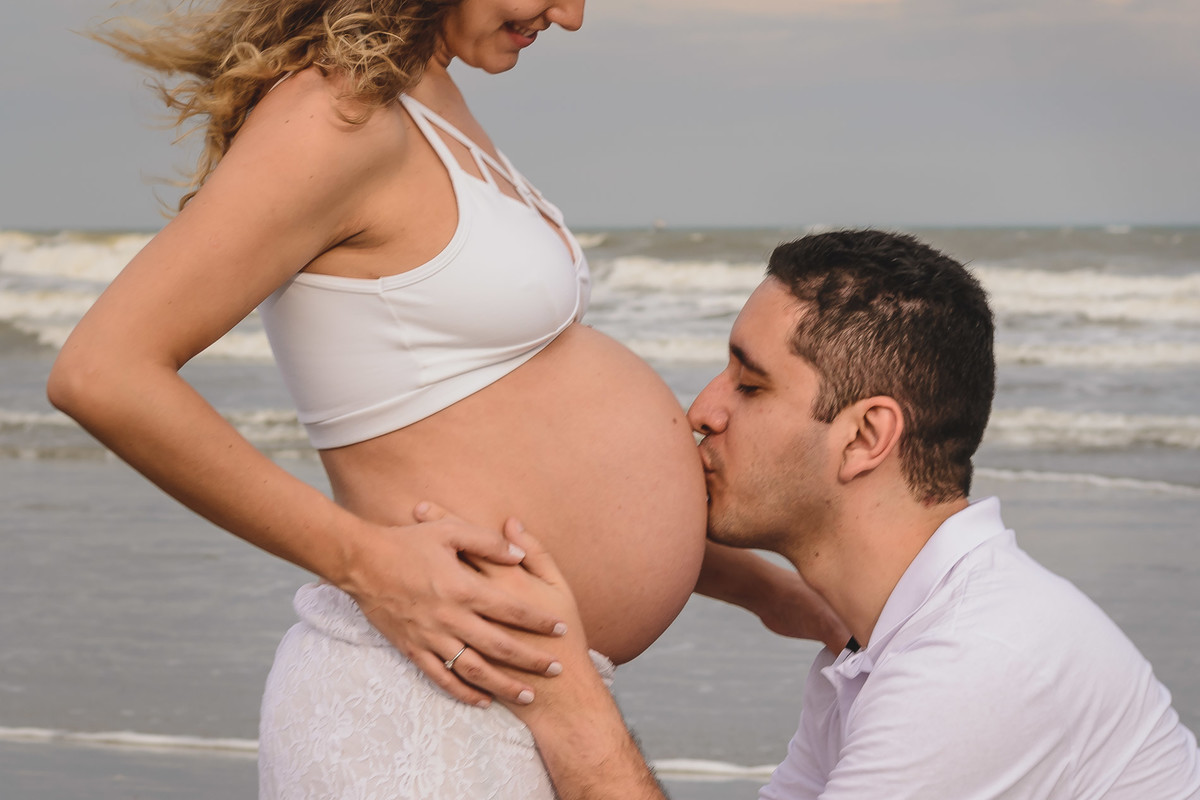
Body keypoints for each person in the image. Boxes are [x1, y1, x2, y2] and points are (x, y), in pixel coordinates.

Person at [46, 1, 843, 797]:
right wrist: (365, 562)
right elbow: (103, 371)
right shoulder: (334, 116)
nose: (569, 17)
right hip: (418, 708)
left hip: (505, 703)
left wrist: (765, 588)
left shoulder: (428, 106)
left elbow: (498, 452)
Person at [474, 229, 1200, 799]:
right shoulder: (877, 642)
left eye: (750, 386)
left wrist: (564, 692)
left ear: (864, 438)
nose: (703, 410)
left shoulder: (972, 665)